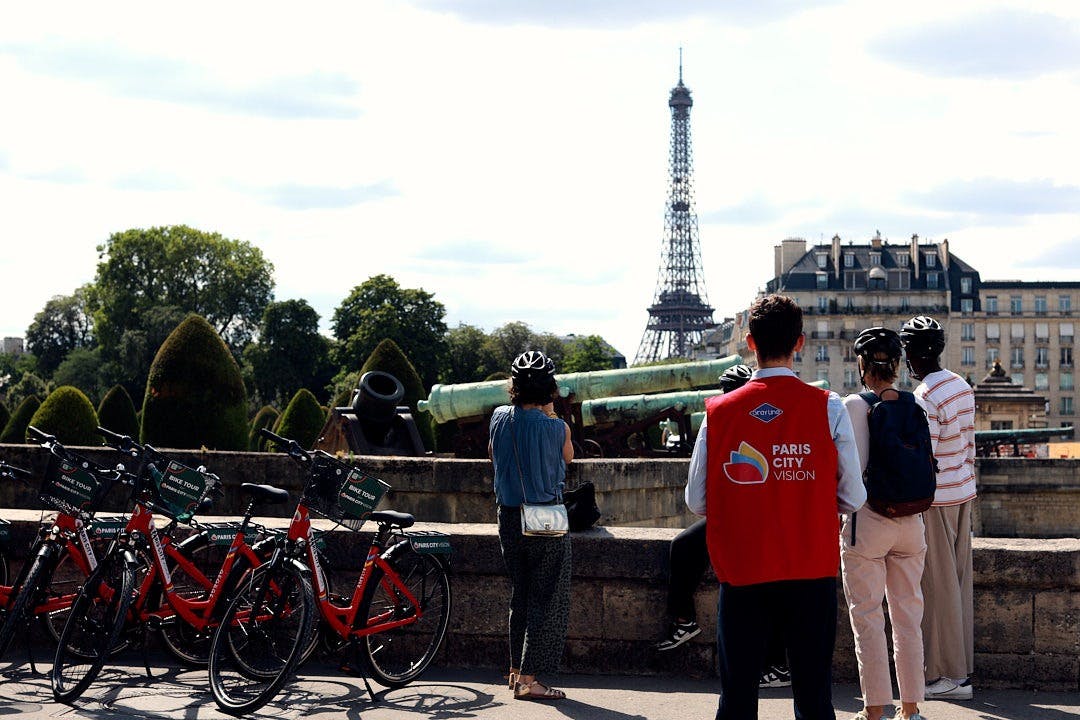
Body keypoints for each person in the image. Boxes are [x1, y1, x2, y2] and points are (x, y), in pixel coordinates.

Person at [686, 294, 865, 720]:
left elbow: (696, 501)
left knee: (737, 700)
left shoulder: (718, 413)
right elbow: (854, 496)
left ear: (750, 342)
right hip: (810, 567)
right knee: (814, 697)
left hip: (744, 568)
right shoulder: (829, 407)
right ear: (800, 342)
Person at [657, 364, 792, 689]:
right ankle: (777, 665)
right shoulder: (775, 418)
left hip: (733, 517)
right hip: (772, 518)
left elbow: (695, 492)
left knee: (684, 547)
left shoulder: (717, 416)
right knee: (770, 586)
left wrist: (716, 514)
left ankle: (684, 619)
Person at [840, 327, 928, 720]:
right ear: (897, 366)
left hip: (869, 521)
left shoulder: (852, 407)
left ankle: (875, 709)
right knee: (909, 616)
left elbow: (849, 472)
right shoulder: (915, 405)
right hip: (913, 521)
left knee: (868, 617)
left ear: (862, 366)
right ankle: (911, 710)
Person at [488, 350, 574, 702]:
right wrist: (551, 413)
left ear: (514, 386)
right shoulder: (556, 427)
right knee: (547, 599)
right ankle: (529, 679)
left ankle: (514, 670)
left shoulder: (497, 417)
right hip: (544, 520)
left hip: (508, 517)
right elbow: (568, 458)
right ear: (550, 388)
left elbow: (494, 456)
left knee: (520, 595)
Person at [900, 315, 977, 701]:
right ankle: (962, 666)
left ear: (912, 355)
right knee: (959, 585)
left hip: (937, 501)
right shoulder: (960, 385)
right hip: (963, 493)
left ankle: (950, 674)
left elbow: (923, 457)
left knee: (939, 588)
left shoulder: (925, 396)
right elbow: (966, 443)